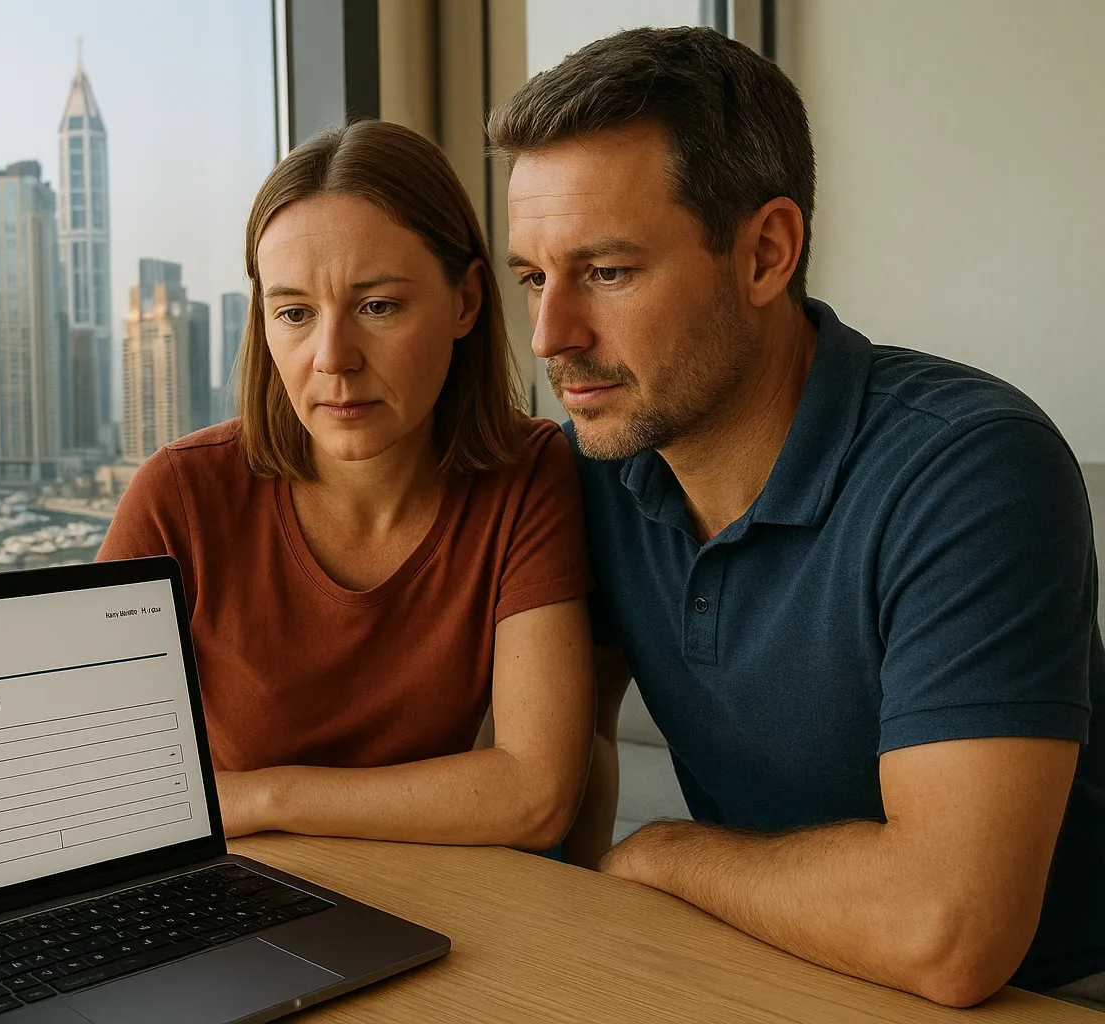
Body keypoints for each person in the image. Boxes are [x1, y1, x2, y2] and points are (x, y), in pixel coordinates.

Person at [489, 26, 1105, 1009]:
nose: (551, 336)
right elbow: (561, 754)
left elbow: (951, 928)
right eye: (532, 276)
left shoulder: (969, 469)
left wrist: (664, 855)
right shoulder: (596, 464)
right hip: (750, 964)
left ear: (767, 252)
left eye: (606, 271)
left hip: (1042, 994)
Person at [98, 119, 596, 852]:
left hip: (441, 905)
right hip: (228, 898)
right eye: (294, 313)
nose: (332, 358)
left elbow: (533, 795)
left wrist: (269, 792)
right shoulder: (179, 496)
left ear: (464, 302)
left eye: (378, 306)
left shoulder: (527, 476)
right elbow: (90, 778)